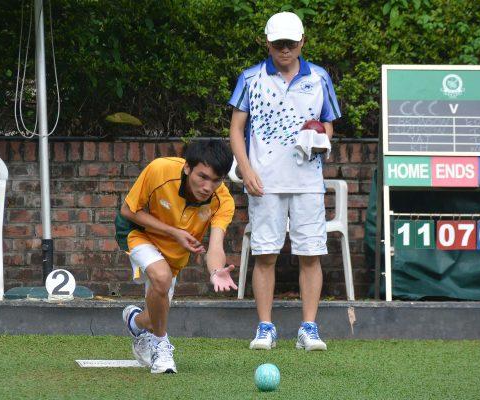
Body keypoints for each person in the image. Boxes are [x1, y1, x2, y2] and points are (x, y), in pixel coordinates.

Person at [228, 11, 341, 351]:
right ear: (268, 43)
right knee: (265, 254)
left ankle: (309, 328)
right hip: (265, 182)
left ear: (302, 42)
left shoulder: (319, 78)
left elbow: (329, 123)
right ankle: (265, 327)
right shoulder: (250, 78)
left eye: (291, 44)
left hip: (308, 181)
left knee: (310, 254)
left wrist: (321, 137)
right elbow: (235, 129)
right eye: (278, 44)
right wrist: (246, 170)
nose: (285, 50)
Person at [114, 140, 237, 373]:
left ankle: (135, 322)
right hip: (139, 232)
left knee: (153, 318)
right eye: (203, 176)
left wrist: (216, 271)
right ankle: (161, 345)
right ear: (187, 168)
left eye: (216, 180)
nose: (207, 186)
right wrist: (174, 232)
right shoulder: (160, 169)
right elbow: (128, 210)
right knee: (161, 277)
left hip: (174, 253)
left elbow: (216, 244)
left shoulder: (223, 201)